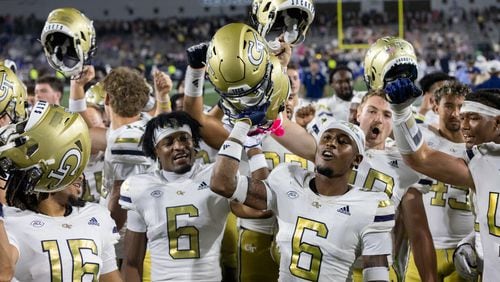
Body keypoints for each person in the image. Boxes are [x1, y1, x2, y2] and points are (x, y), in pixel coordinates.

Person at [211, 119, 395, 281]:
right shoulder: (288, 179)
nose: (331, 144)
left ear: (356, 159)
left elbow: (376, 275)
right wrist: (242, 126)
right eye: (326, 138)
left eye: (342, 141)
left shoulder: (371, 206)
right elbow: (222, 183)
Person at [119, 111, 263, 281]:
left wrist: (254, 149)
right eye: (169, 142)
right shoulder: (139, 187)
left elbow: (259, 210)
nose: (179, 146)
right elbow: (132, 262)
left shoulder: (215, 176)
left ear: (193, 141)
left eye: (183, 138)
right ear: (156, 150)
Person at [384, 75, 500, 281]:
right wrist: (472, 239)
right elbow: (420, 158)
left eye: (472, 118)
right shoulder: (481, 161)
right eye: (462, 117)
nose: (463, 125)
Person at [0, 102, 121, 281]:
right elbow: (4, 271)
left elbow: (111, 278)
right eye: (73, 167)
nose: (80, 176)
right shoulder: (12, 222)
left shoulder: (96, 216)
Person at [404, 80, 475, 281]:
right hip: (424, 245)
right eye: (449, 105)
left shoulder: (479, 147)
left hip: (464, 248)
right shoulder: (423, 140)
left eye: (461, 106)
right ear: (436, 107)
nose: (455, 113)